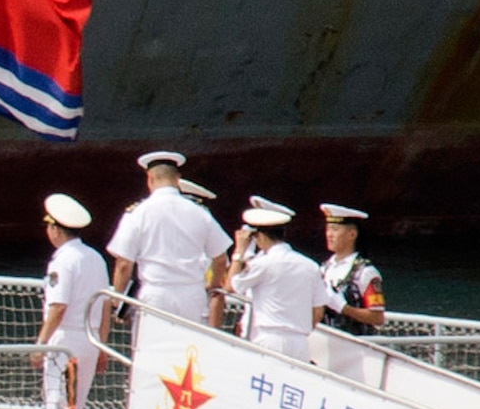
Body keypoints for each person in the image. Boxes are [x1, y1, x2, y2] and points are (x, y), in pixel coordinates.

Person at [18, 194, 113, 409]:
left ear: (56, 230)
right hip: (88, 338)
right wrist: (101, 347)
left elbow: (58, 307)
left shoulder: (63, 261)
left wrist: (40, 344)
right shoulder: (95, 258)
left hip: (64, 342)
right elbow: (106, 306)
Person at [107, 151, 231, 327]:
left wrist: (117, 302)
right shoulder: (199, 212)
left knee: (152, 351)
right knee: (191, 351)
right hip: (192, 295)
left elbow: (123, 264)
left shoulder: (138, 213)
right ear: (177, 178)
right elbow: (220, 259)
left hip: (157, 295)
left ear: (149, 178)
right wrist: (212, 286)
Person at [226, 207, 325, 362]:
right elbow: (318, 311)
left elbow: (230, 287)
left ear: (260, 237)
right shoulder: (310, 265)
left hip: (270, 338)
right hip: (300, 343)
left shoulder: (264, 264)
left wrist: (239, 251)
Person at [318, 204, 386, 335]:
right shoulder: (324, 269)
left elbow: (377, 317)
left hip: (356, 347)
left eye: (335, 230)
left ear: (352, 234)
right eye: (328, 230)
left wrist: (344, 308)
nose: (329, 235)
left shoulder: (365, 272)